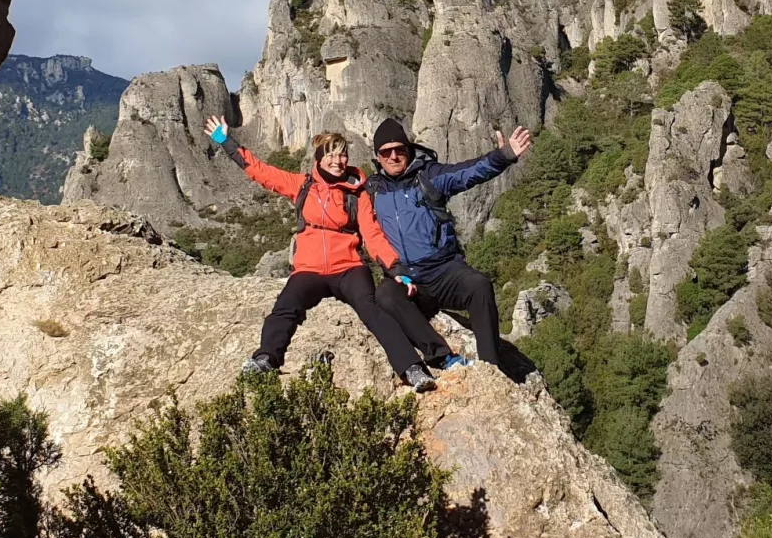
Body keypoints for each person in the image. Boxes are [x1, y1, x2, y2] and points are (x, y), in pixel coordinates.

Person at [203, 116, 459, 391]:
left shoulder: (356, 194)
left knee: (373, 311)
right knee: (286, 306)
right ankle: (266, 358)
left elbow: (372, 235)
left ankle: (412, 369)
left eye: (342, 155)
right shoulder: (301, 186)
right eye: (331, 155)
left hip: (348, 267)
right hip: (309, 269)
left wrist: (397, 270)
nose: (337, 161)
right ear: (319, 158)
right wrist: (226, 141)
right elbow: (259, 170)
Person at [363, 117, 532, 370]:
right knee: (385, 296)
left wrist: (503, 156)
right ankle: (439, 354)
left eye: (400, 149)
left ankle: (490, 366)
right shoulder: (373, 190)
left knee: (479, 285)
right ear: (378, 157)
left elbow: (466, 173)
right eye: (386, 152)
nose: (394, 156)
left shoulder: (428, 176)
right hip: (407, 278)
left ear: (408, 150)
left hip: (443, 271)